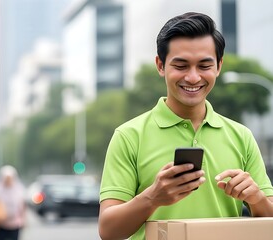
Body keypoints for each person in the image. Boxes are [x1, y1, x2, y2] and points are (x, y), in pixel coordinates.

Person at [98, 12, 273, 240]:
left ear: (219, 66)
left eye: (204, 65)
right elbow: (108, 231)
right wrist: (153, 196)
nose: (193, 77)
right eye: (181, 65)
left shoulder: (241, 136)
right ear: (160, 65)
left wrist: (256, 199)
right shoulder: (129, 136)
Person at [0, 165, 26, 240]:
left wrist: (23, 220)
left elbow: (22, 207)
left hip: (15, 224)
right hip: (1, 224)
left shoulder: (18, 191)